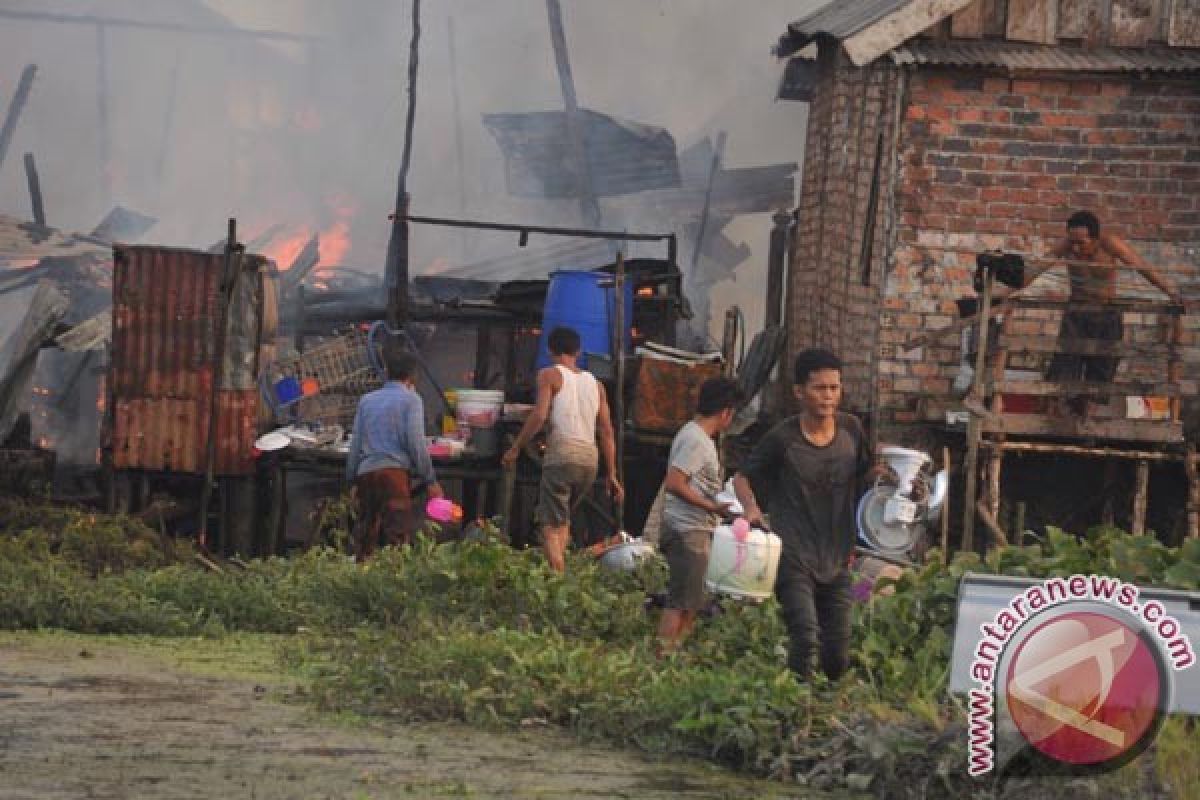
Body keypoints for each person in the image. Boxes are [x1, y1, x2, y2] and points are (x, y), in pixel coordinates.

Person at [732, 348, 878, 681]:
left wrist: (892, 484)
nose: (829, 396)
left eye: (835, 388)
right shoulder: (783, 438)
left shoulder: (851, 431)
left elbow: (868, 473)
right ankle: (796, 708)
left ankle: (827, 714)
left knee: (837, 651)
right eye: (820, 388)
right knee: (806, 637)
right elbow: (742, 477)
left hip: (838, 555)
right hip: (793, 554)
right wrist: (752, 508)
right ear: (799, 392)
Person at [1032, 211, 1182, 416]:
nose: (1075, 248)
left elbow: (1142, 266)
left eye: (1081, 243)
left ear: (1094, 238)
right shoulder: (1067, 245)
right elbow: (1036, 268)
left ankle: (1087, 424)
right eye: (1072, 242)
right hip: (1076, 314)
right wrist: (1006, 291)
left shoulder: (1110, 244)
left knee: (1101, 371)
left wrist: (1169, 291)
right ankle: (1053, 423)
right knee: (1063, 368)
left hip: (1106, 314)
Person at [502, 326, 623, 572]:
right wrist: (611, 474)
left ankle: (560, 581)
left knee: (548, 524)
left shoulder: (549, 375)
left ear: (550, 350)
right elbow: (607, 431)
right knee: (562, 519)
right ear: (578, 351)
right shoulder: (596, 385)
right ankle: (562, 570)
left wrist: (516, 447)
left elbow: (539, 415)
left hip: (562, 457)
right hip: (589, 460)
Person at [656, 376, 745, 653]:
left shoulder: (696, 436)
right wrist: (712, 507)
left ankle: (674, 656)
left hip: (694, 531)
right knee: (680, 603)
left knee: (690, 602)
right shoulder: (696, 440)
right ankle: (662, 659)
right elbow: (675, 482)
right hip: (687, 531)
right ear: (726, 412)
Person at [346, 347, 443, 561]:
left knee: (364, 541)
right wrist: (430, 480)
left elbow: (356, 445)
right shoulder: (412, 400)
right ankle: (394, 586)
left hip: (366, 475)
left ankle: (357, 585)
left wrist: (351, 480)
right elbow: (416, 444)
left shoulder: (367, 400)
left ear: (386, 370)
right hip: (394, 477)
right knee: (397, 542)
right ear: (413, 376)